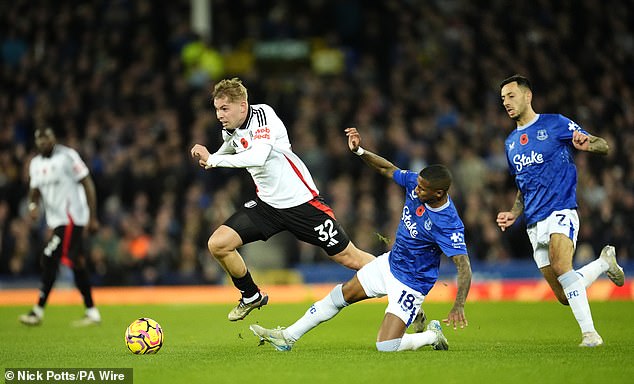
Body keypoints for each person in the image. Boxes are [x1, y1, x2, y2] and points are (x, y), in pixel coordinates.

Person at [249, 127, 472, 352]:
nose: (417, 190)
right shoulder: (416, 183)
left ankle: (432, 336)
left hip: (411, 283)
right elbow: (387, 169)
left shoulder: (448, 223)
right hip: (390, 264)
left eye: (423, 190)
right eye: (418, 185)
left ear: (439, 193)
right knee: (339, 296)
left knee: (386, 346)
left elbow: (463, 266)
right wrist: (360, 152)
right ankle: (288, 337)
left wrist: (459, 305)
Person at [190, 78, 375, 321]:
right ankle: (250, 295)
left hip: (301, 203)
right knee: (218, 244)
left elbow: (258, 157)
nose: (219, 115)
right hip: (268, 206)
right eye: (216, 109)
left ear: (242, 106)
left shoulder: (264, 115)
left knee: (350, 257)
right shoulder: (230, 128)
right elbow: (231, 144)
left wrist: (213, 160)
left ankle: (400, 283)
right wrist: (213, 156)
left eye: (224, 109)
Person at [496, 75, 625, 347]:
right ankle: (604, 263)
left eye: (511, 96)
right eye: (503, 99)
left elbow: (604, 145)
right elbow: (524, 183)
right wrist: (514, 212)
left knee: (561, 265)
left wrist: (586, 144)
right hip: (534, 222)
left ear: (527, 96)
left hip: (561, 209)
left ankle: (591, 336)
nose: (506, 102)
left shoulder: (555, 123)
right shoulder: (509, 143)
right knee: (565, 295)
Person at [19, 127, 101, 327]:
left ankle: (37, 311)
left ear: (54, 138)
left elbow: (87, 183)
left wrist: (92, 217)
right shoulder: (36, 164)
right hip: (56, 220)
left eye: (47, 138)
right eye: (40, 139)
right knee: (78, 262)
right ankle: (92, 312)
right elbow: (34, 189)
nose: (43, 142)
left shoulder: (67, 156)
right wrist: (32, 205)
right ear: (36, 142)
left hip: (72, 217)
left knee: (48, 257)